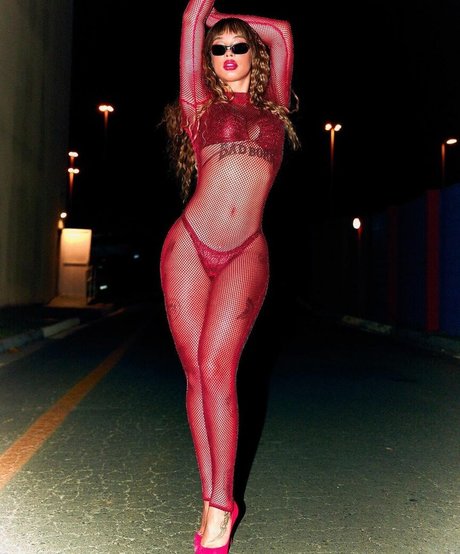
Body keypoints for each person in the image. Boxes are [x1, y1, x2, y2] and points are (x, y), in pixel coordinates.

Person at [159, 1, 299, 552]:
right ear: (208, 61)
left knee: (219, 368)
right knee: (197, 374)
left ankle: (223, 504)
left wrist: (228, 19)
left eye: (239, 46)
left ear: (253, 56)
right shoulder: (198, 105)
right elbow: (191, 16)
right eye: (218, 49)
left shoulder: (275, 105)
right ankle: (212, 499)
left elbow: (281, 33)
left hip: (246, 251)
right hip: (188, 246)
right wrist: (207, 20)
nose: (228, 54)